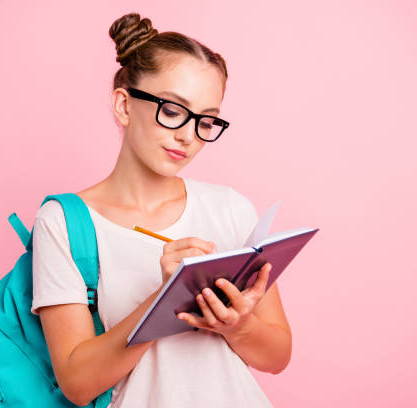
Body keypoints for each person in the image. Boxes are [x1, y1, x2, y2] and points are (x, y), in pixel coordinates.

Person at [30, 12, 292, 407]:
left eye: (206, 121)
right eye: (172, 110)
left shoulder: (231, 209)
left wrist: (237, 325)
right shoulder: (63, 223)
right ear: (123, 105)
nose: (188, 136)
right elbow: (78, 383)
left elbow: (277, 356)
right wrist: (166, 300)